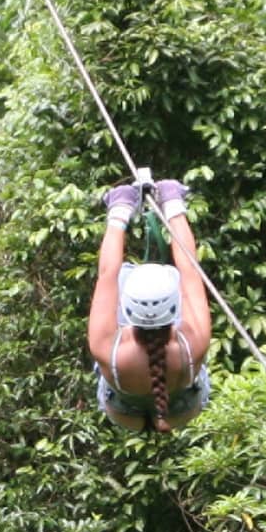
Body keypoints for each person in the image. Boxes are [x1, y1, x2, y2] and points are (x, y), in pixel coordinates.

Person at [88, 177, 213, 433]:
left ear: (130, 311)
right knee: (176, 277)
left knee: (122, 275)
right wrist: (173, 204)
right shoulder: (194, 342)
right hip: (181, 410)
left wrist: (119, 211)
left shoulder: (106, 348)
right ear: (171, 312)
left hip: (124, 412)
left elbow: (107, 274)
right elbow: (189, 270)